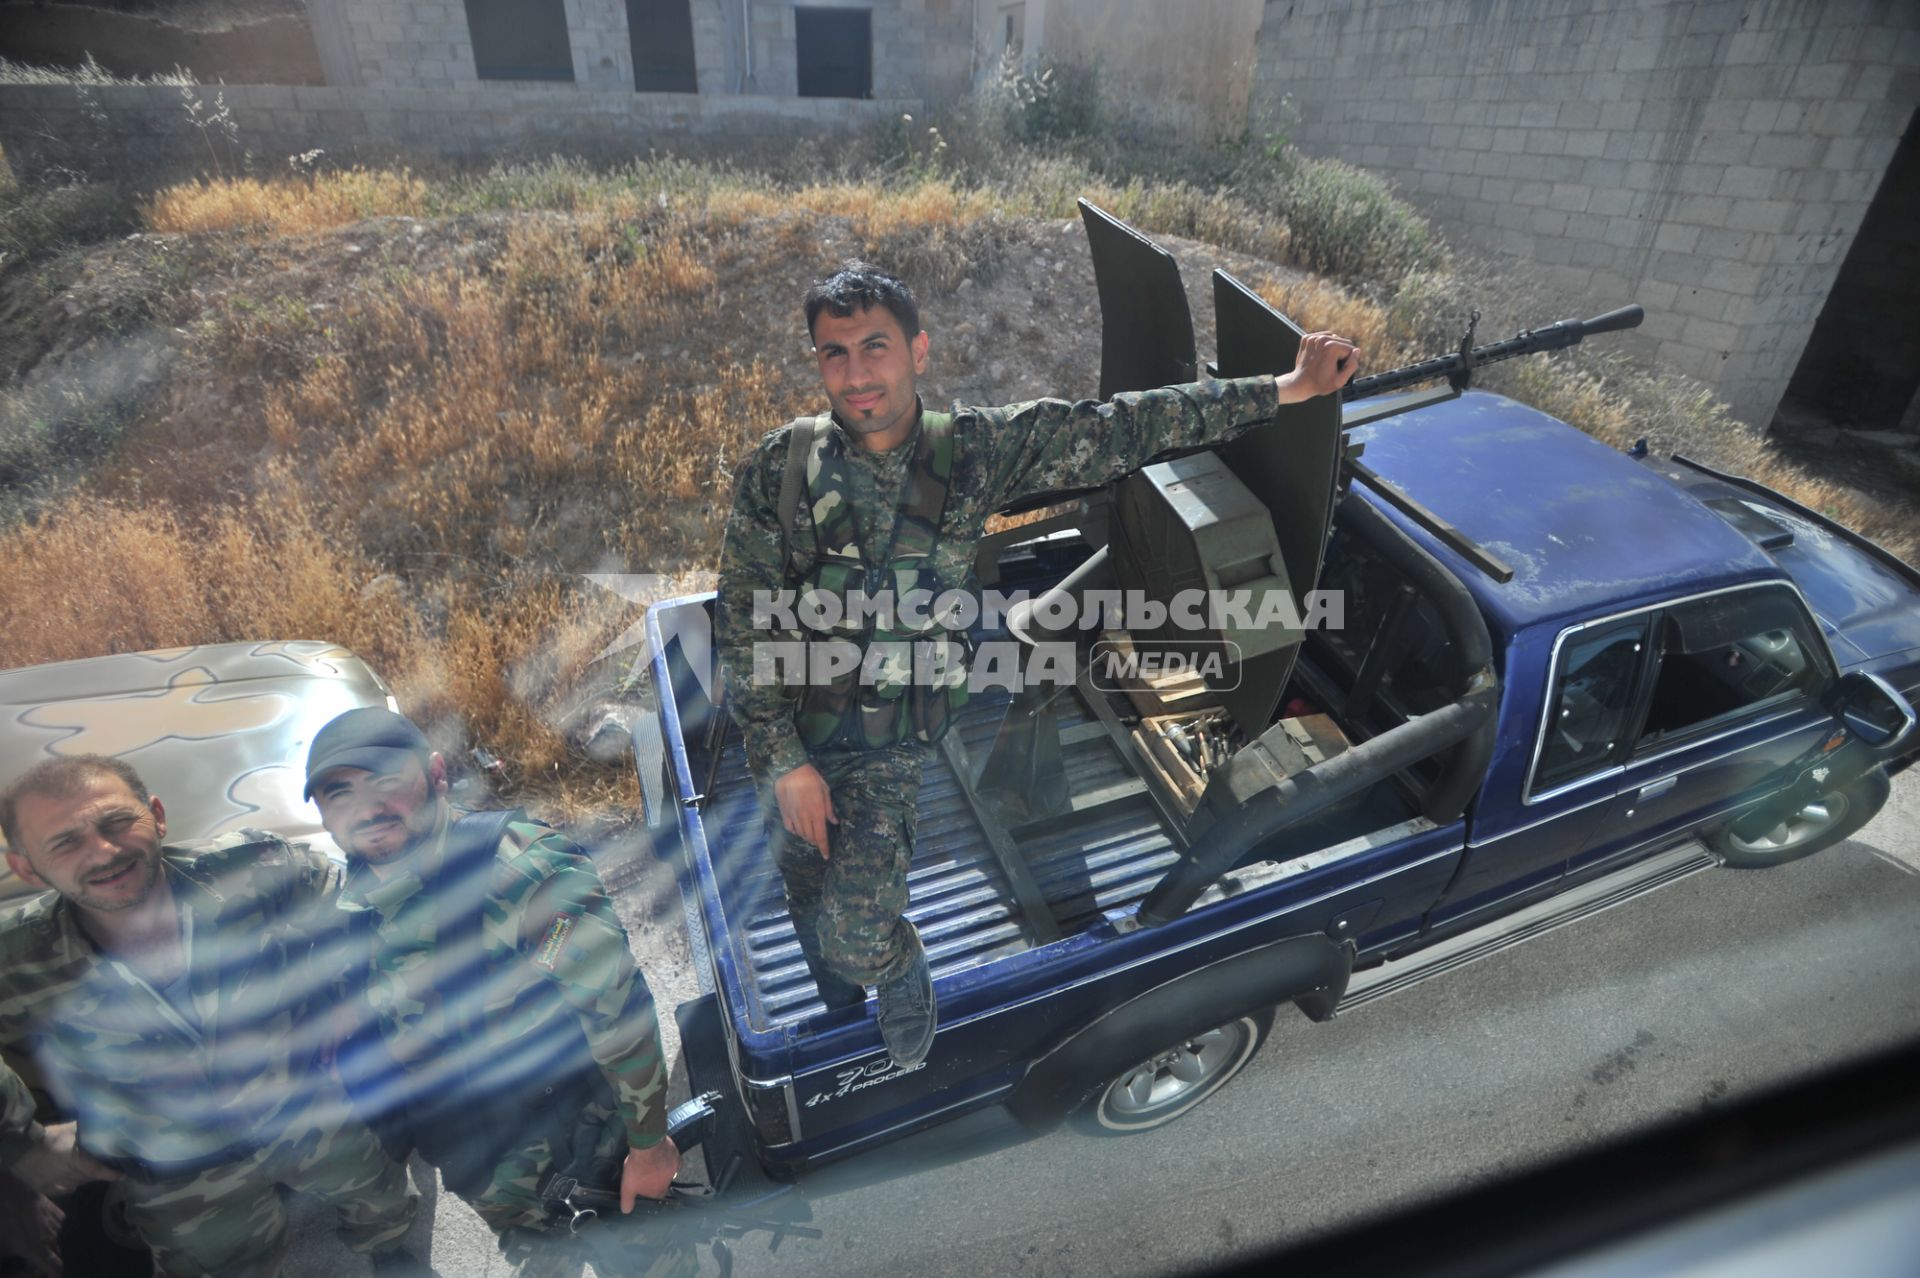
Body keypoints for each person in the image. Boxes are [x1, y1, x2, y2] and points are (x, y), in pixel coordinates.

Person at [714, 260, 1362, 1067]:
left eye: (874, 347)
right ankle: (842, 1008)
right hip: (802, 718)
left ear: (919, 350)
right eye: (833, 354)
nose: (856, 374)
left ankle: (892, 962)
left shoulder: (979, 452)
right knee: (805, 886)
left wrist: (1289, 388)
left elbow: (1128, 425)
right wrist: (783, 762)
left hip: (894, 729)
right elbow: (742, 624)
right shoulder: (782, 469)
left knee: (853, 928)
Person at [0, 754, 427, 1278]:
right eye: (65, 842)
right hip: (180, 1172)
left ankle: (394, 1255)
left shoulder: (254, 868)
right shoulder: (19, 959)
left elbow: (351, 908)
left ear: (156, 816)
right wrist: (22, 1142)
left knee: (382, 1206)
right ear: (24, 865)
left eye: (117, 822)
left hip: (310, 1112)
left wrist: (344, 1006)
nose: (104, 851)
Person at [304, 707, 690, 1278]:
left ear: (436, 775)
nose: (365, 808)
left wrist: (651, 1146)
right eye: (340, 794)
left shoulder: (523, 870)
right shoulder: (354, 895)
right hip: (480, 1168)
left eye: (385, 780)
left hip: (587, 1153)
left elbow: (618, 1013)